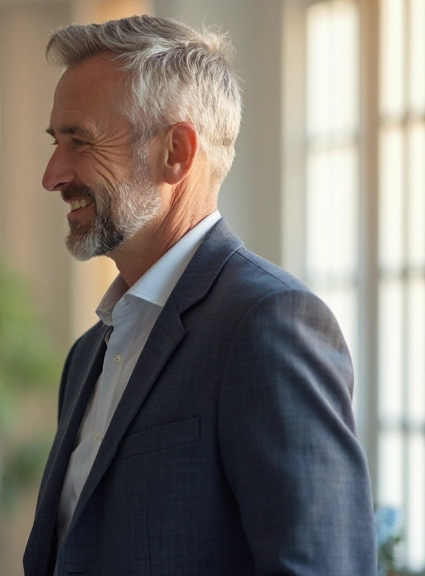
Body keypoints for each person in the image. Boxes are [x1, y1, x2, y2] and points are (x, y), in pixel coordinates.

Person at [23, 15, 375, 575]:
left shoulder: (270, 324)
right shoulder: (89, 352)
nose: (52, 174)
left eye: (80, 140)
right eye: (55, 142)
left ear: (176, 153)